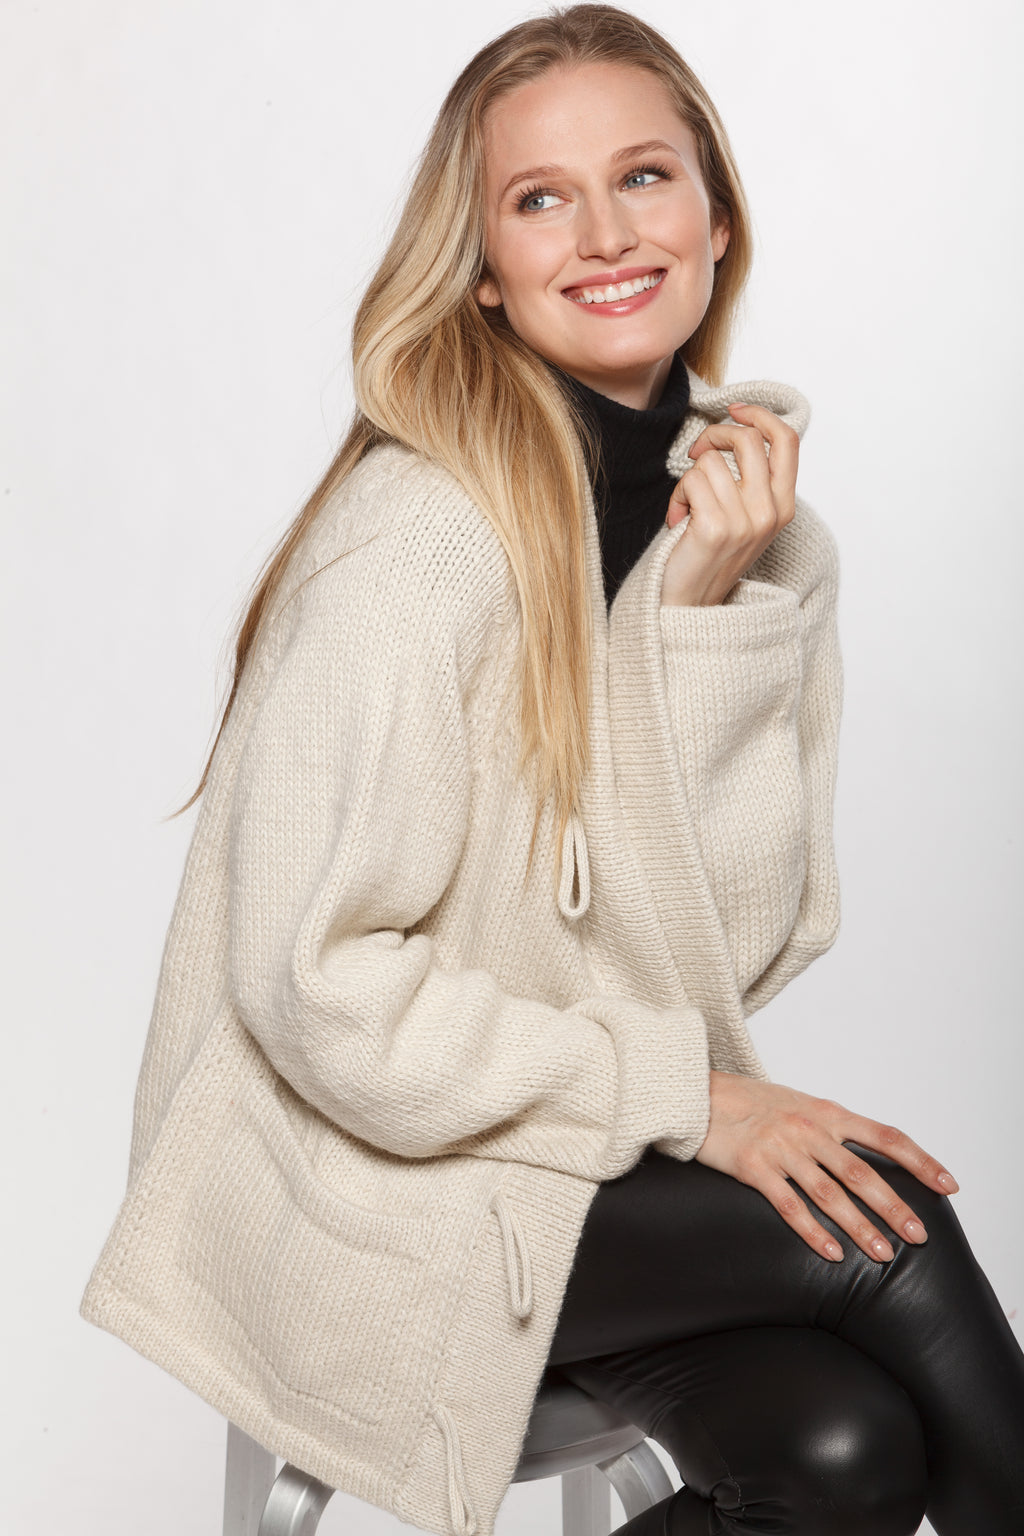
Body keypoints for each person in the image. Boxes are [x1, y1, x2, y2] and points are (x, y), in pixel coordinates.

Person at [80, 5, 1024, 1533]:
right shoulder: (418, 547)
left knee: (844, 1450)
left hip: (558, 1152)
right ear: (483, 264)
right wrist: (690, 1102)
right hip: (344, 1181)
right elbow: (320, 992)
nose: (605, 235)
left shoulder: (763, 541)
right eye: (540, 199)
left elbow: (733, 952)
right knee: (888, 1231)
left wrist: (701, 623)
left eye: (644, 176)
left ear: (718, 216)